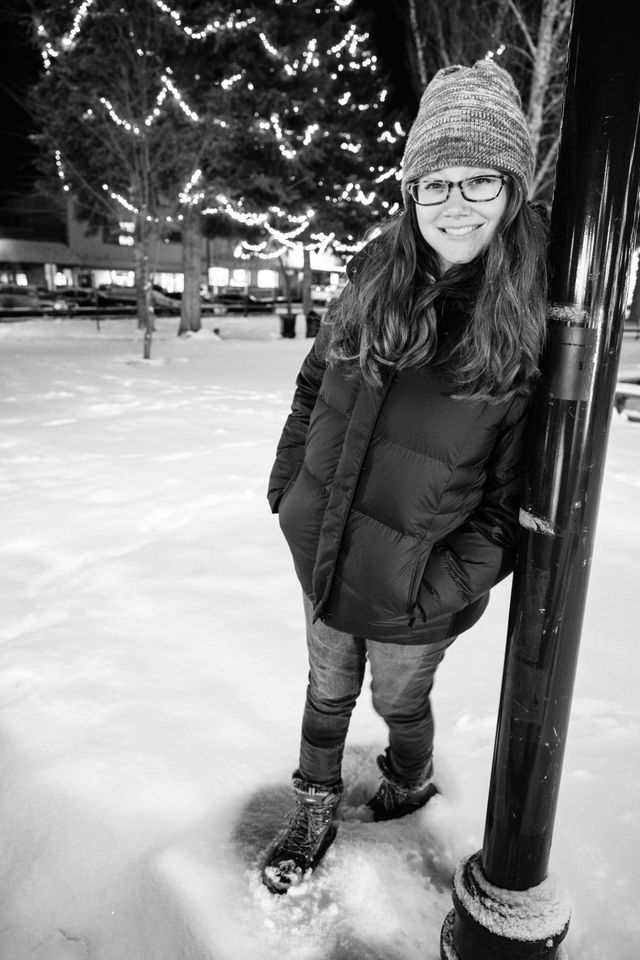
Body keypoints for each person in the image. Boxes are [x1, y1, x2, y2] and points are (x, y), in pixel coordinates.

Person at [262, 60, 548, 895]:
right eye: (434, 183)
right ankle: (314, 803)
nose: (453, 202)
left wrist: (439, 586)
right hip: (322, 551)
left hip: (415, 592)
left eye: (478, 180)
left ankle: (410, 776)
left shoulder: (527, 327)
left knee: (398, 703)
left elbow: (509, 501)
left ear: (514, 191)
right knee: (323, 688)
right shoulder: (371, 277)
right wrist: (289, 497)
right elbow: (314, 386)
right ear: (409, 192)